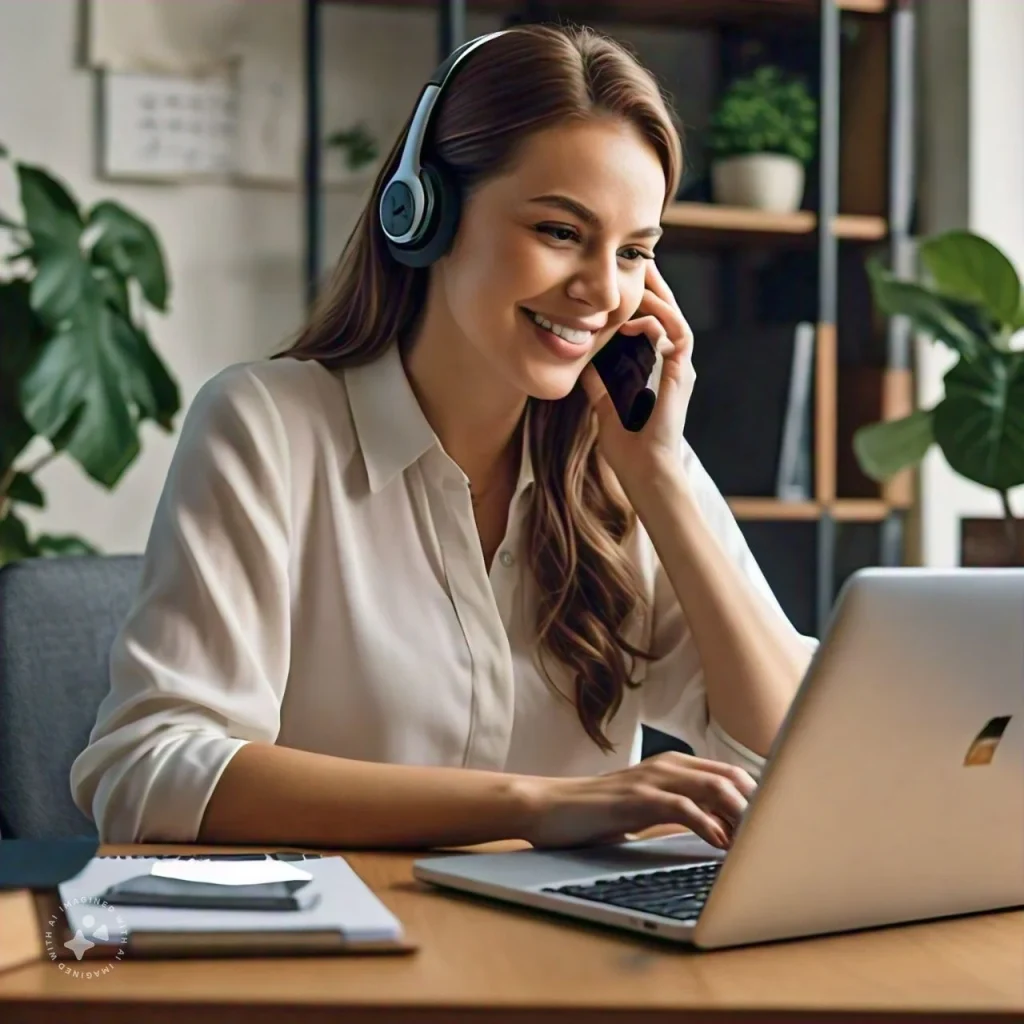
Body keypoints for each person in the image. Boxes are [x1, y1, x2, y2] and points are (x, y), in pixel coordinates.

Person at [70, 24, 816, 851]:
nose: (604, 291)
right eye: (560, 232)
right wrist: (533, 805)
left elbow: (799, 757)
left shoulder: (631, 461)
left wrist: (665, 482)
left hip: (567, 961)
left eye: (636, 251)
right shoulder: (268, 428)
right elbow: (152, 770)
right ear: (421, 214)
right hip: (335, 957)